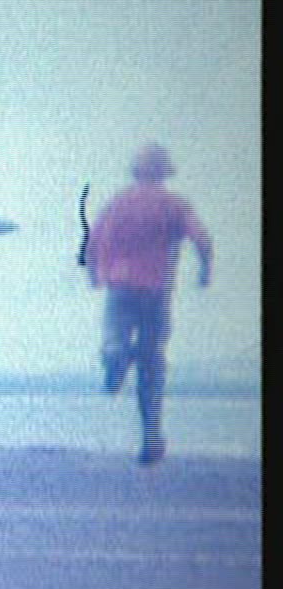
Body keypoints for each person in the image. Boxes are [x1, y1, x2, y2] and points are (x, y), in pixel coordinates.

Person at [86, 142, 211, 467]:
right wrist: (205, 271)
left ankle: (116, 356)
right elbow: (201, 239)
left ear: (136, 170)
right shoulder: (174, 205)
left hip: (119, 287)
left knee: (113, 337)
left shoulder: (118, 203)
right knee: (152, 366)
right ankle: (151, 438)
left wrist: (93, 274)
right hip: (156, 293)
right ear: (163, 172)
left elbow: (93, 242)